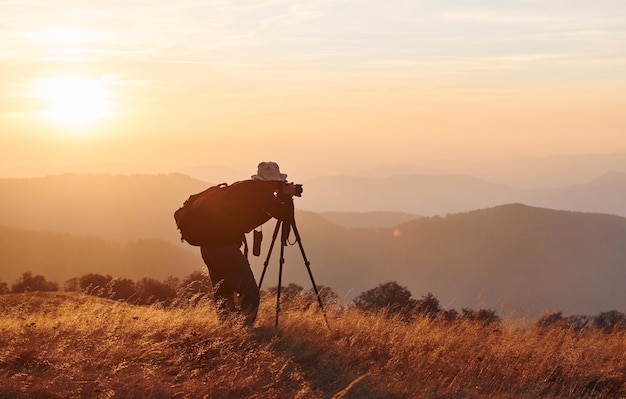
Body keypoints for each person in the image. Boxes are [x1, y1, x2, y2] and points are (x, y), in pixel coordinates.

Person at [200, 161, 297, 326]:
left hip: (209, 244)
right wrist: (287, 196)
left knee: (223, 291)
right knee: (250, 293)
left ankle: (227, 331)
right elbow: (284, 215)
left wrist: (278, 201)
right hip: (224, 247)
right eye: (277, 182)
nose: (278, 186)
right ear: (270, 181)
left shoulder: (245, 188)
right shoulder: (260, 192)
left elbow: (245, 224)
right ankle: (243, 331)